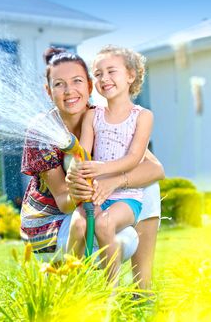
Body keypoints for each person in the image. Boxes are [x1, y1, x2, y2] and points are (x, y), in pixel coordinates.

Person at [20, 47, 164, 282]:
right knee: (118, 235)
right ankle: (73, 290)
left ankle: (142, 288)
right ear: (48, 91)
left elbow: (155, 169)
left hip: (94, 209)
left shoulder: (103, 117)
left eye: (76, 81)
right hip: (50, 229)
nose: (69, 91)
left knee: (148, 186)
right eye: (59, 84)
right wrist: (78, 191)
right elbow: (65, 203)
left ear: (88, 85)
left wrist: (115, 181)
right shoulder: (42, 131)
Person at [67, 45, 153, 281]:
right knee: (77, 227)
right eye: (98, 73)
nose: (104, 78)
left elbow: (134, 158)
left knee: (104, 226)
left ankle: (110, 295)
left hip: (127, 198)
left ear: (130, 75)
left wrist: (103, 168)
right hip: (94, 194)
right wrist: (76, 170)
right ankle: (70, 286)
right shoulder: (92, 115)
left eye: (111, 71)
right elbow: (82, 153)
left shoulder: (142, 116)